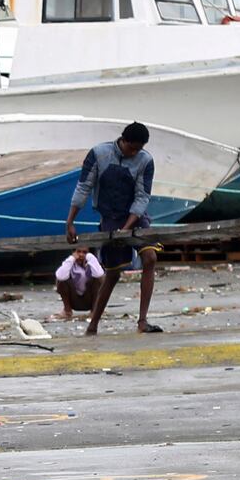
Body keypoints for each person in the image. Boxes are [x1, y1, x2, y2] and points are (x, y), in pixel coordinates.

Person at [65, 121, 162, 336]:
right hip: (110, 218)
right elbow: (83, 187)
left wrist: (128, 226)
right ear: (123, 140)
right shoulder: (99, 154)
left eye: (139, 149)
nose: (134, 153)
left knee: (151, 258)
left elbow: (142, 195)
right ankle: (93, 324)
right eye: (131, 148)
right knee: (113, 274)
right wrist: (70, 222)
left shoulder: (145, 161)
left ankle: (143, 321)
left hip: (136, 218)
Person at [54, 247, 104, 319]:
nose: (81, 255)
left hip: (89, 298)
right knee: (61, 280)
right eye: (78, 252)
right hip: (73, 299)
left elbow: (99, 275)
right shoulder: (70, 265)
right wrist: (71, 259)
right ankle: (67, 311)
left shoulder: (92, 265)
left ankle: (95, 310)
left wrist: (90, 257)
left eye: (84, 252)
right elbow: (60, 276)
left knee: (98, 280)